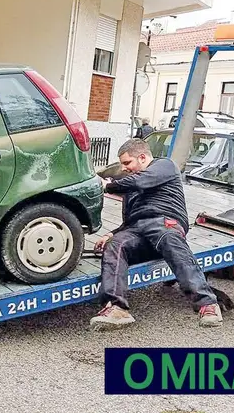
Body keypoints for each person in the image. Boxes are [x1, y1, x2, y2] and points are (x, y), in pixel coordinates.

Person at [90, 138, 222, 330]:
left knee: (168, 237)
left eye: (127, 163)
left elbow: (140, 180)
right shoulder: (131, 190)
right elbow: (128, 223)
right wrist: (111, 234)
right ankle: (116, 308)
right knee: (116, 245)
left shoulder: (164, 166)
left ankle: (207, 304)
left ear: (143, 157)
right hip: (137, 230)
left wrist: (107, 185)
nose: (124, 168)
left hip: (164, 222)